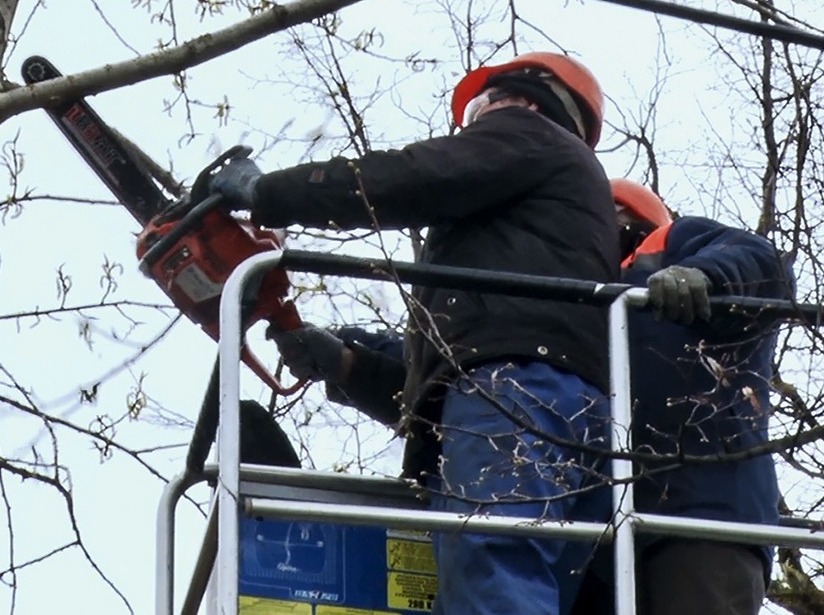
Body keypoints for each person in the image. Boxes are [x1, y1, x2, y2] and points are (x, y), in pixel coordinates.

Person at [208, 52, 620, 615]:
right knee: (535, 582)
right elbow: (438, 366)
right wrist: (345, 361)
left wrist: (268, 194)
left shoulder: (530, 135)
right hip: (561, 408)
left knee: (492, 560)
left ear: (527, 99)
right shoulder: (536, 244)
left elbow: (410, 177)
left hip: (518, 392)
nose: (474, 122)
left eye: (481, 106)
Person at [568, 179, 793, 615]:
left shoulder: (677, 244)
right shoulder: (576, 307)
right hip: (598, 539)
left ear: (625, 218)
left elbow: (763, 264)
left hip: (703, 517)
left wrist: (706, 277)